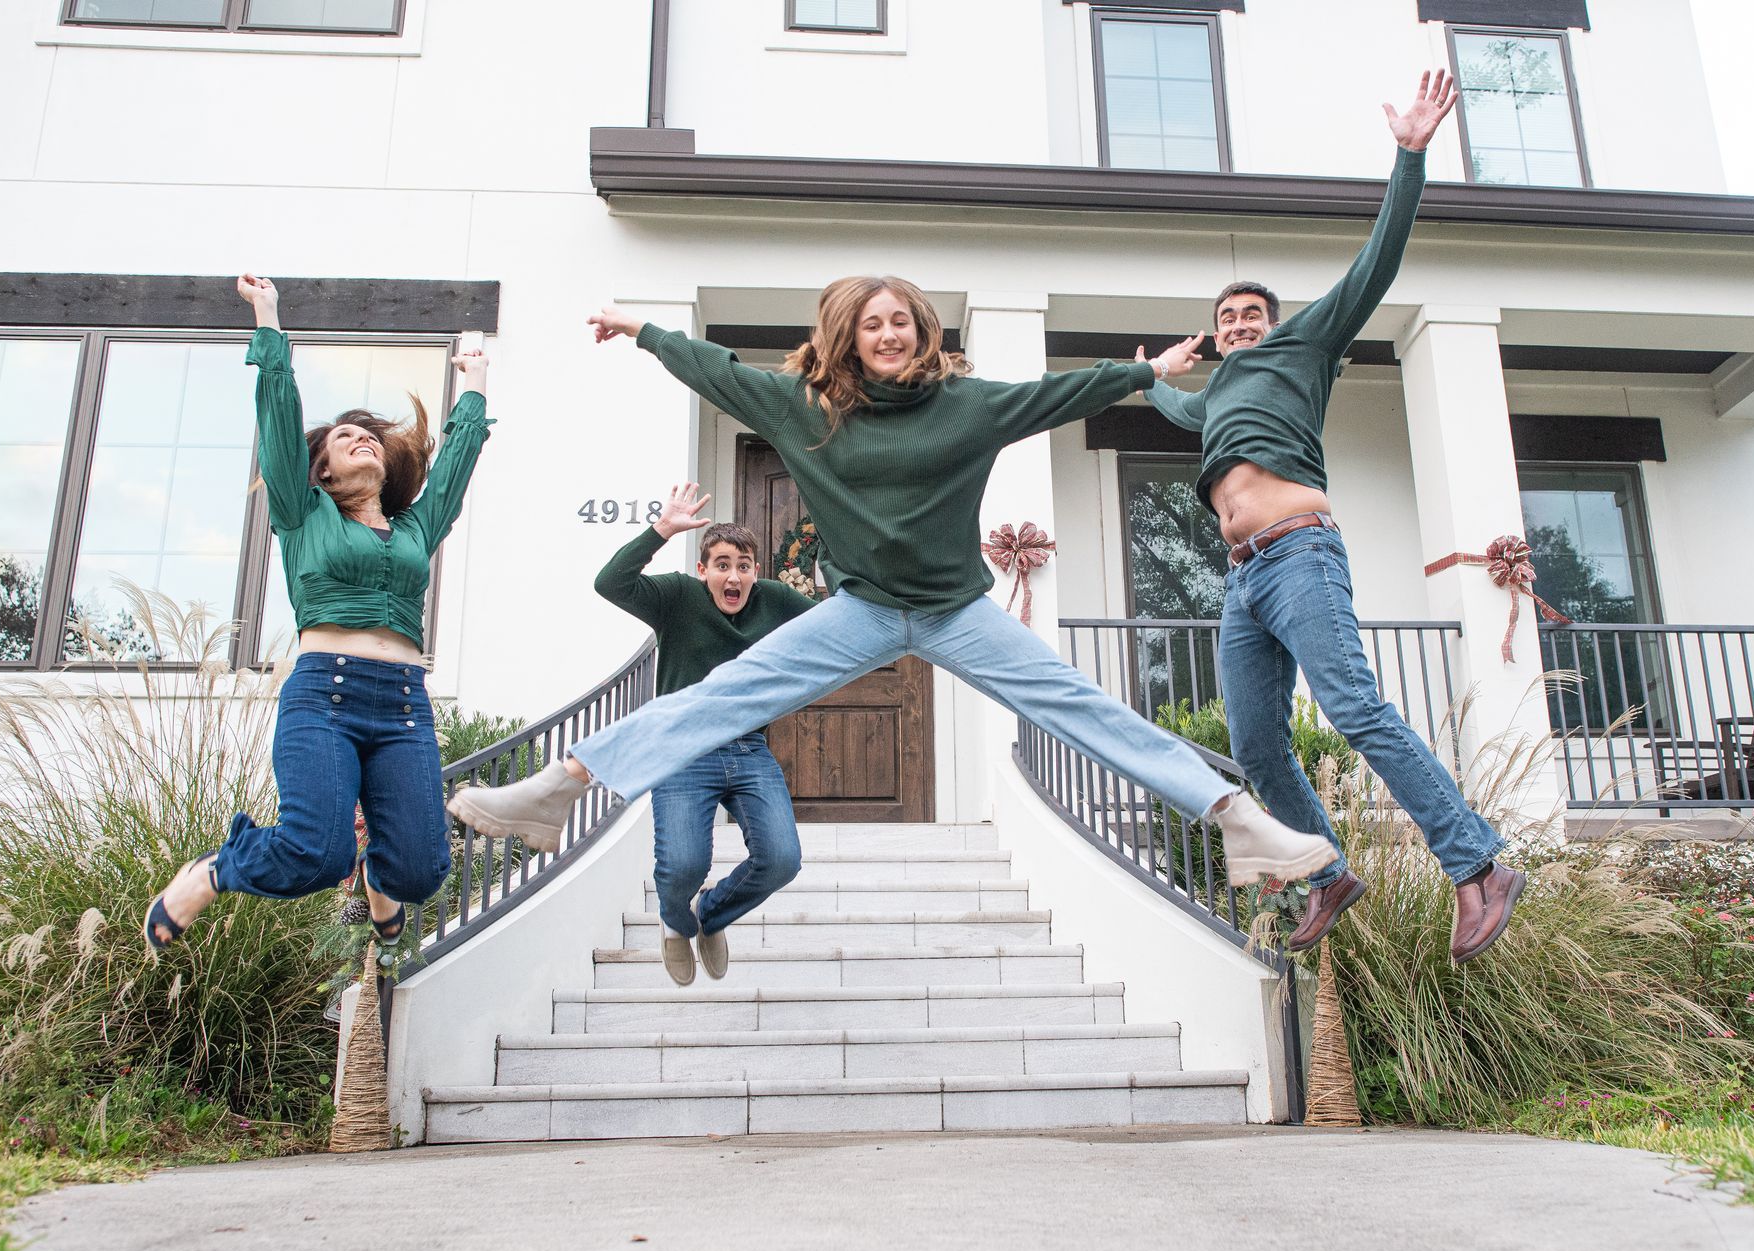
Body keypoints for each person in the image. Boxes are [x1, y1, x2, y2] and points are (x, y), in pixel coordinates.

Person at [447, 275, 1334, 886]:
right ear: (848, 338)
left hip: (954, 612)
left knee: (1076, 703)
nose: (889, 333)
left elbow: (1056, 393)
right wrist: (643, 330)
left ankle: (1236, 819)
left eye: (902, 319)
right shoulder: (802, 408)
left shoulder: (969, 405)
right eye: (871, 324)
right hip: (862, 612)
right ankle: (556, 788)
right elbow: (715, 370)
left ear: (921, 330)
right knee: (723, 693)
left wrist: (1145, 371)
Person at [1138, 70, 1523, 963]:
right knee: (1256, 746)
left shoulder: (1304, 346)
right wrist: (1152, 376)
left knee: (1352, 706)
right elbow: (1178, 413)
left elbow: (1375, 263)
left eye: (1249, 316)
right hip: (1242, 583)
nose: (1236, 326)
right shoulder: (1217, 403)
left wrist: (1410, 157)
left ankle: (1476, 865)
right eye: (1226, 318)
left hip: (1300, 554)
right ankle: (1326, 873)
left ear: (1272, 326)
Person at [143, 275, 493, 952]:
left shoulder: (415, 530)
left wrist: (475, 385)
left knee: (422, 870)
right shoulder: (302, 516)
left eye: (368, 434)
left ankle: (380, 880)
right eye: (343, 436)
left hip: (401, 707)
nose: (361, 436)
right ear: (322, 472)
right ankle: (215, 871)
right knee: (315, 853)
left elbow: (452, 470)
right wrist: (268, 319)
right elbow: (276, 418)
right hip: (323, 697)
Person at [594, 483, 816, 984]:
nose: (733, 576)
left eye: (743, 565)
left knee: (782, 859)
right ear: (703, 571)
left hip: (749, 750)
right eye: (721, 564)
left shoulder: (775, 600)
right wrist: (662, 530)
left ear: (755, 570)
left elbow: (838, 625)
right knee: (682, 866)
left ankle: (711, 916)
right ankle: (677, 923)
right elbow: (609, 583)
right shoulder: (677, 597)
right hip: (681, 751)